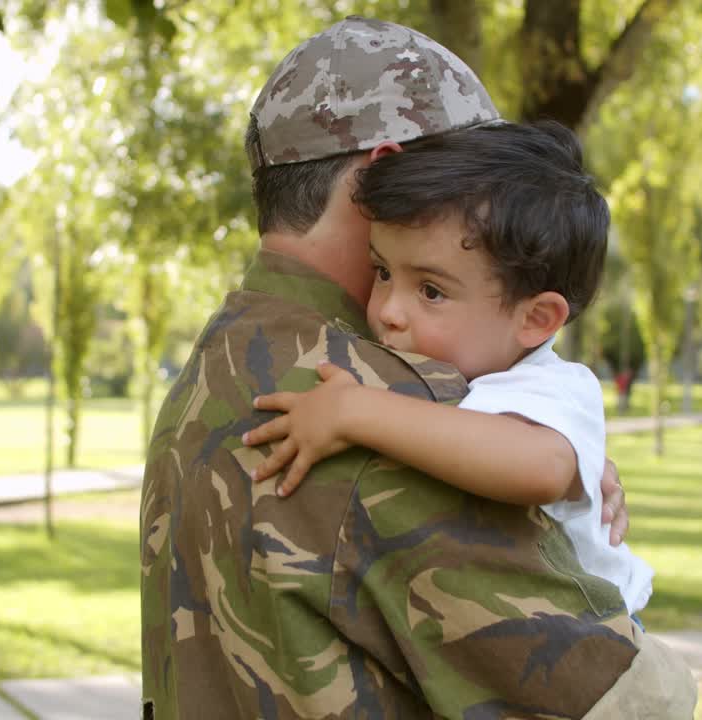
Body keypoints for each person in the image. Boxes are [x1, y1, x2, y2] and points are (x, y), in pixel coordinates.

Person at [139, 16, 695, 718]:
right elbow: (618, 699)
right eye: (468, 178)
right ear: (382, 176)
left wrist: (555, 455)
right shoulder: (381, 407)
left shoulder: (209, 370)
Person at [241, 120, 655, 620]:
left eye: (431, 291)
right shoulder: (469, 370)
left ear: (536, 319)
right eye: (383, 272)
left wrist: (358, 411)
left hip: (599, 639)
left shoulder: (555, 388)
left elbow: (542, 468)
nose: (389, 310)